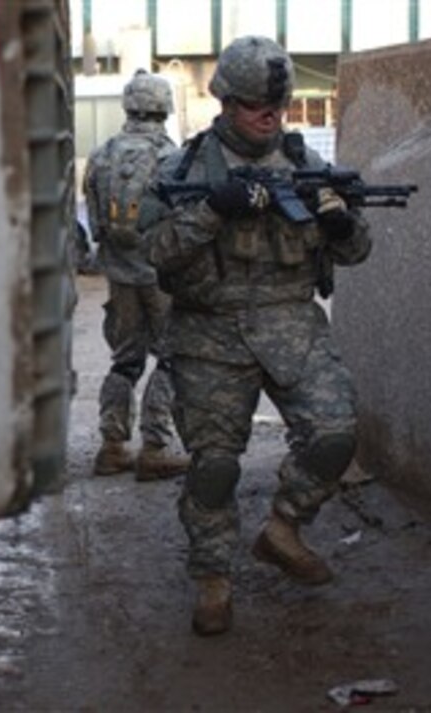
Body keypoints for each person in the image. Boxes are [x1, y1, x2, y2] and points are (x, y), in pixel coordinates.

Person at [139, 36, 372, 636]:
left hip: (292, 323)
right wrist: (212, 210)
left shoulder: (309, 167)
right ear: (223, 101)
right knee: (215, 467)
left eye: (277, 105)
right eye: (253, 105)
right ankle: (213, 577)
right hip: (210, 334)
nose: (268, 116)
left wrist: (341, 224)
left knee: (335, 435)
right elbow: (155, 255)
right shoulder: (183, 170)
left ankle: (283, 528)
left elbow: (356, 250)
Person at [83, 70, 191, 481]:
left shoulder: (102, 154)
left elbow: (93, 222)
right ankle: (155, 447)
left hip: (119, 275)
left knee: (124, 360)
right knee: (171, 355)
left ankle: (112, 446)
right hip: (160, 276)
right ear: (164, 107)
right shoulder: (172, 157)